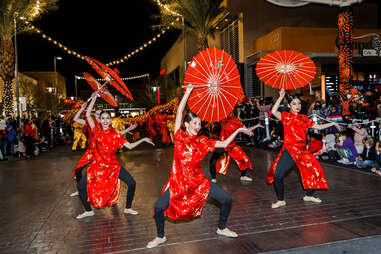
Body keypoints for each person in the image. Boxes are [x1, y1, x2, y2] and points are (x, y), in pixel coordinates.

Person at [146, 85, 255, 248]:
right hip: (178, 183)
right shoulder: (179, 136)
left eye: (200, 123)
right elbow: (179, 111)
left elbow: (224, 143)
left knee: (227, 199)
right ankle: (160, 236)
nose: (198, 126)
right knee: (158, 207)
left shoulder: (202, 141)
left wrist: (239, 129)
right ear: (187, 124)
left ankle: (222, 227)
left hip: (198, 183)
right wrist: (188, 93)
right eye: (195, 123)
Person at [76, 91, 154, 219]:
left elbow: (129, 146)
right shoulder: (96, 130)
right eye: (103, 118)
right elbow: (89, 116)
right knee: (80, 186)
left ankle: (128, 208)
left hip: (112, 166)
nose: (105, 121)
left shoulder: (115, 134)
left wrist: (143, 139)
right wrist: (94, 99)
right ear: (99, 120)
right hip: (97, 166)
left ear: (110, 119)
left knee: (132, 183)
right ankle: (88, 210)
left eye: (108, 118)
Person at [267, 89, 343, 209]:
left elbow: (318, 126)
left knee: (314, 170)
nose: (297, 106)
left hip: (302, 150)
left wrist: (332, 124)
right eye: (294, 104)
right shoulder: (286, 116)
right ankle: (280, 200)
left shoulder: (304, 118)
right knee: (278, 175)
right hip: (290, 150)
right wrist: (281, 97)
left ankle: (309, 195)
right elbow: (273, 111)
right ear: (289, 106)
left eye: (299, 103)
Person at [209, 111, 262, 183]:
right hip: (222, 144)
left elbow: (247, 131)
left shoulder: (237, 121)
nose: (229, 112)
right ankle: (213, 178)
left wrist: (256, 126)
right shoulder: (222, 119)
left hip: (232, 145)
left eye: (230, 111)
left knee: (244, 159)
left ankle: (243, 176)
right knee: (213, 161)